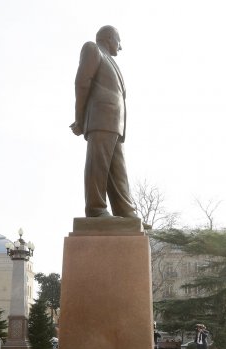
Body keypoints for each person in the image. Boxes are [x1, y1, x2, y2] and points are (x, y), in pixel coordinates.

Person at [70, 25, 138, 219]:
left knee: (118, 169)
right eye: (119, 41)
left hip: (115, 123)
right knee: (98, 165)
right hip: (100, 118)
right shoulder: (92, 49)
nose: (121, 47)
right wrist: (80, 118)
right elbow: (82, 83)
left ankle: (126, 212)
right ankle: (96, 209)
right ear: (109, 38)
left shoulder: (110, 60)